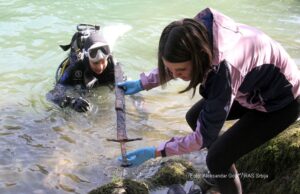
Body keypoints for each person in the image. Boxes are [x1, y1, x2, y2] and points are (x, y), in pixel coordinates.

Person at [117, 7, 300, 194]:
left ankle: (223, 169)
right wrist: (143, 83)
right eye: (169, 69)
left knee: (215, 159)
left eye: (180, 71)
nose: (174, 75)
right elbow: (176, 65)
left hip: (281, 102)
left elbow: (202, 138)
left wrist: (155, 152)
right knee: (194, 117)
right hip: (253, 88)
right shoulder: (199, 36)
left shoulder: (224, 70)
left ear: (199, 58)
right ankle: (224, 171)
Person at [47, 32, 115, 112]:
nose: (100, 67)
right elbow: (51, 95)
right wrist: (71, 102)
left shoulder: (113, 66)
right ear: (87, 58)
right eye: (95, 63)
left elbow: (126, 87)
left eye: (103, 62)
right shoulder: (75, 68)